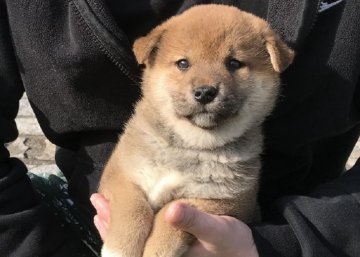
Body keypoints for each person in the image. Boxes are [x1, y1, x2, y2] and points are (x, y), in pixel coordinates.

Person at [1, 0, 359, 256]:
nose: (205, 84)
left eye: (234, 63)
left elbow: (227, 202)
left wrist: (287, 243)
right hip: (64, 226)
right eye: (183, 63)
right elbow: (122, 180)